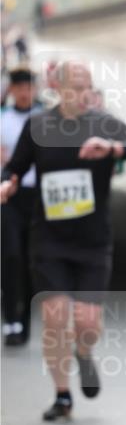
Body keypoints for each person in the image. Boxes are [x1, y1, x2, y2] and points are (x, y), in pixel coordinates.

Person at [0, 61, 126, 419]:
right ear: (57, 88)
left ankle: (84, 351)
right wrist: (8, 181)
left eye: (85, 86)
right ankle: (62, 395)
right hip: (49, 239)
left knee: (87, 323)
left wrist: (109, 149)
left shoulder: (102, 123)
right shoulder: (38, 125)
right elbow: (14, 166)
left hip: (93, 241)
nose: (80, 93)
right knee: (55, 316)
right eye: (73, 86)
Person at [1, 69, 42, 344]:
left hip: (39, 196)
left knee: (31, 261)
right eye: (19, 88)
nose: (25, 92)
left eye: (28, 87)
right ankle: (11, 319)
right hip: (9, 195)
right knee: (11, 255)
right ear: (13, 90)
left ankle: (24, 320)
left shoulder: (45, 121)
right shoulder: (3, 120)